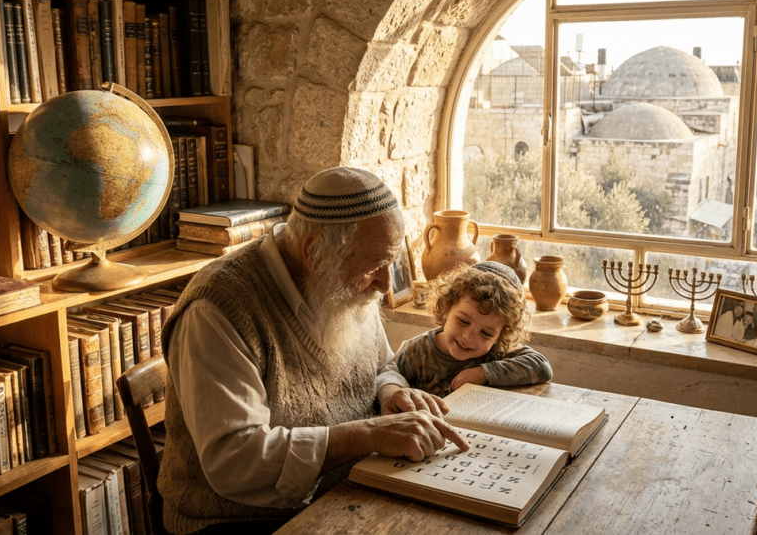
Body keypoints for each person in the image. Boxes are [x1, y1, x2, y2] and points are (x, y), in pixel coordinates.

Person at [158, 167, 469, 535]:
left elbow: (380, 364)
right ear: (313, 252)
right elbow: (235, 460)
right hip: (232, 520)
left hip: (341, 490)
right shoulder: (217, 310)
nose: (386, 286)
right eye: (375, 267)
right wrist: (370, 435)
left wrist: (391, 392)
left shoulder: (339, 279)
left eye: (391, 263)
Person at [390, 261, 552, 396]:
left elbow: (542, 367)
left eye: (486, 333)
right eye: (463, 321)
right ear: (446, 308)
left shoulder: (498, 352)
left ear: (501, 335)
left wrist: (483, 373)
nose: (468, 336)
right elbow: (390, 390)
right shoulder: (413, 352)